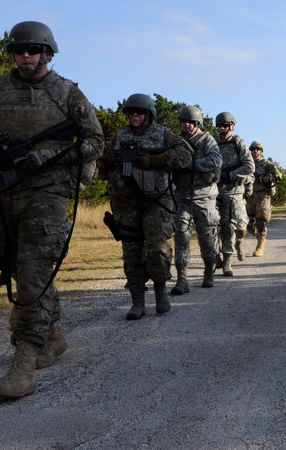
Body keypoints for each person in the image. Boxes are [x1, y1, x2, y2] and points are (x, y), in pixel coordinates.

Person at [0, 21, 103, 399]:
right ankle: (52, 335)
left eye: (33, 50)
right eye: (19, 50)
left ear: (48, 53)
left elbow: (95, 141)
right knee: (15, 268)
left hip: (48, 193)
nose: (25, 56)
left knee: (34, 271)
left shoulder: (67, 93)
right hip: (2, 192)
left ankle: (22, 366)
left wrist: (48, 156)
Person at [101, 94, 191, 319]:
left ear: (149, 114)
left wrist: (155, 160)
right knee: (131, 253)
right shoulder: (120, 136)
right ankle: (137, 302)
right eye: (131, 112)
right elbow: (102, 160)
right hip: (126, 203)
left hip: (156, 202)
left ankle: (161, 291)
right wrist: (109, 160)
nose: (134, 116)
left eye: (139, 112)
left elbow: (186, 154)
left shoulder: (162, 134)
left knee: (156, 249)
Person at [171, 105, 223, 292]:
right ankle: (182, 280)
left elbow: (216, 161)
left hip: (205, 196)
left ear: (197, 123)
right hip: (182, 196)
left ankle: (209, 271)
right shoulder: (176, 141)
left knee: (207, 238)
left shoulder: (206, 140)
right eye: (183, 121)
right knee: (181, 235)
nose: (186, 125)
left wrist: (191, 164)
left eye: (190, 122)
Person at [214, 112, 254, 277]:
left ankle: (229, 260)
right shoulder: (212, 143)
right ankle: (216, 257)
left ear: (231, 126)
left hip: (234, 191)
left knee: (233, 228)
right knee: (212, 226)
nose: (222, 129)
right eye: (220, 126)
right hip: (214, 191)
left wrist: (230, 175)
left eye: (225, 125)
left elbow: (249, 166)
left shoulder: (238, 143)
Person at [246, 141, 281, 257]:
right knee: (248, 223)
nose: (255, 151)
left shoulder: (266, 164)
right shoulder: (246, 163)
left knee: (260, 220)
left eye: (257, 149)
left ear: (261, 151)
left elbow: (278, 176)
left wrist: (264, 178)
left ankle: (260, 245)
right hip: (249, 195)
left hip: (262, 195)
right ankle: (259, 236)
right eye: (253, 149)